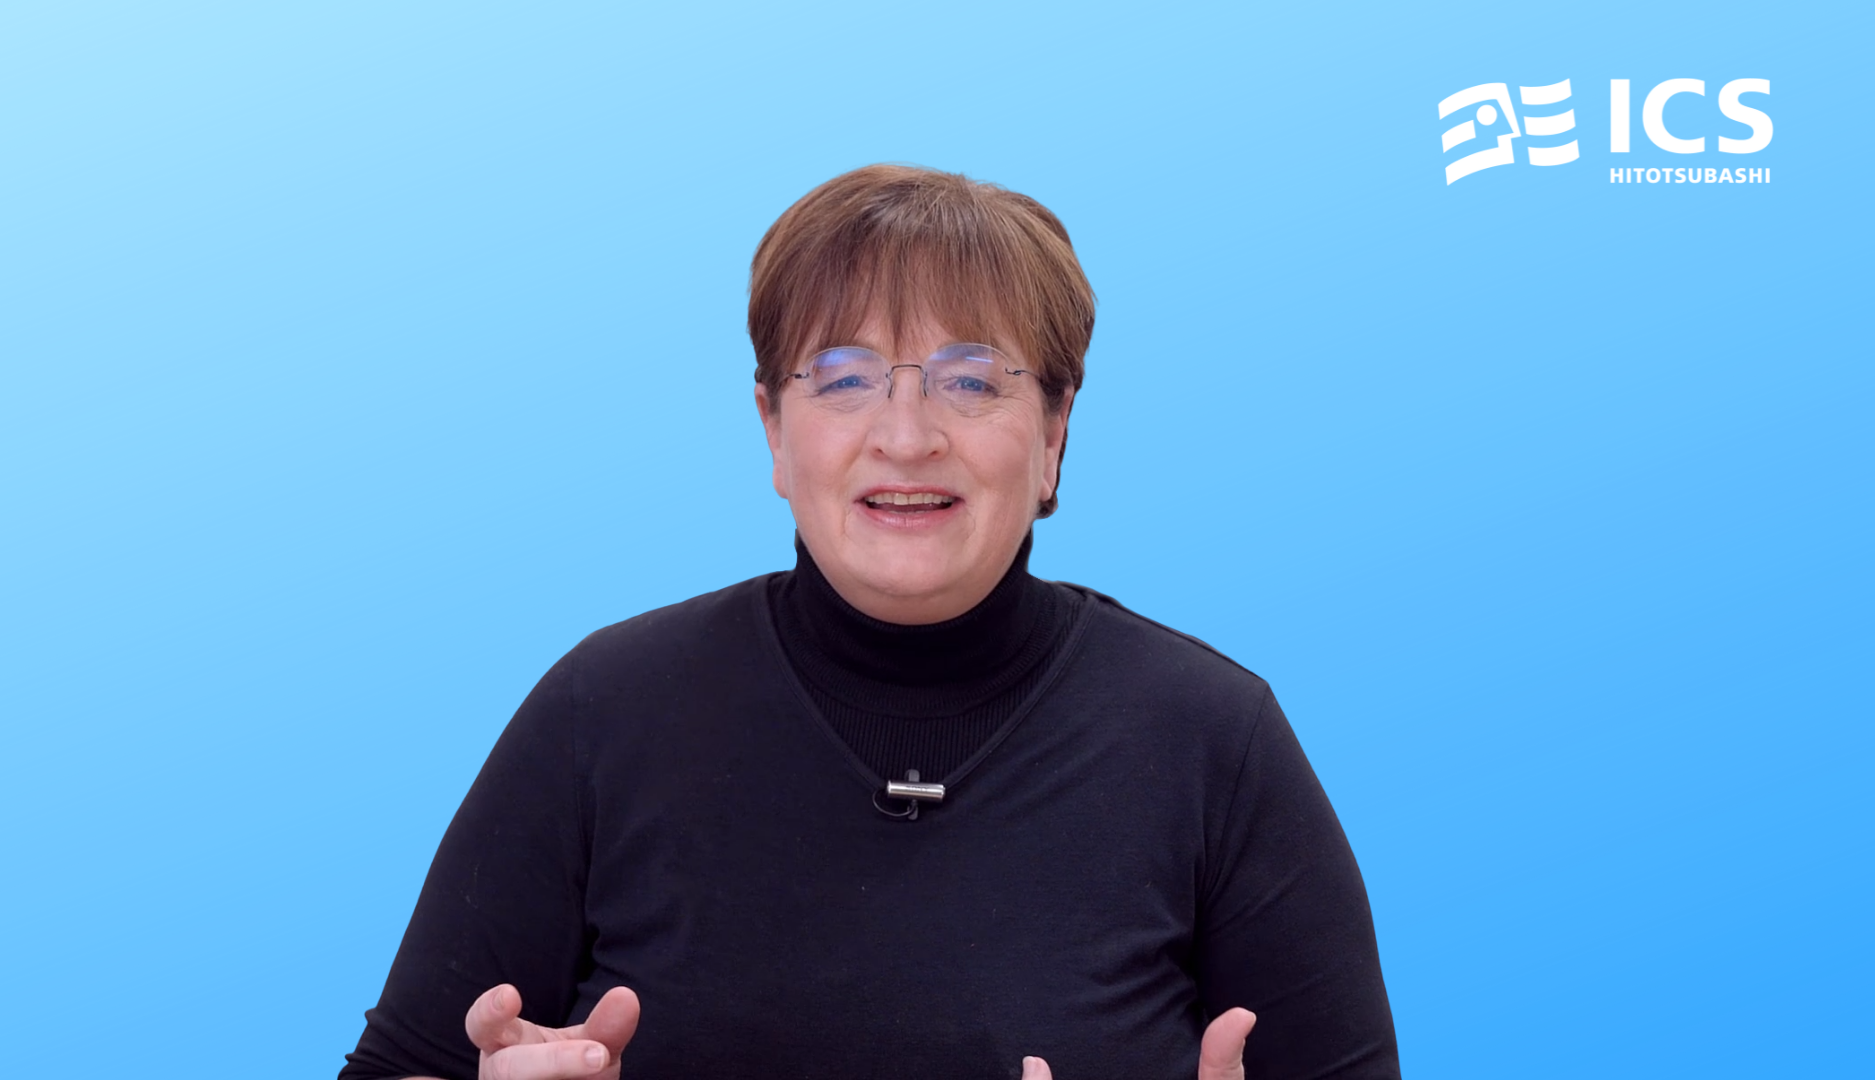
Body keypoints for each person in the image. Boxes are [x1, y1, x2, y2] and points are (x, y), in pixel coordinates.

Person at [341, 164, 1400, 1080]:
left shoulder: (1213, 739)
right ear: (773, 429)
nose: (905, 434)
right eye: (844, 379)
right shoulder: (603, 710)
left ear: (1054, 434)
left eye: (970, 380)